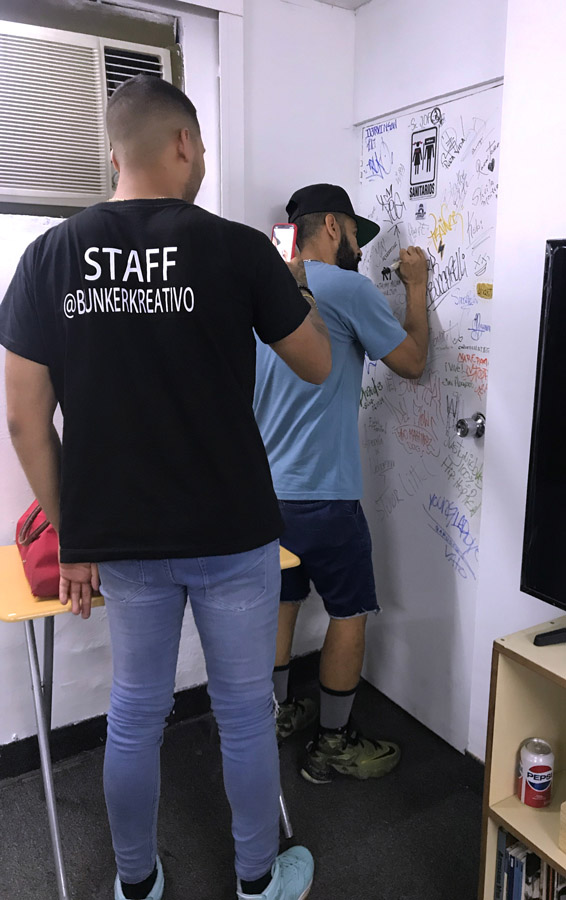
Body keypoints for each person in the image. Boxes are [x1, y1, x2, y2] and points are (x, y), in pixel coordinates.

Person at [0, 76, 332, 900]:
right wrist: (293, 275)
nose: (203, 159)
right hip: (233, 530)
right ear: (182, 143)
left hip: (123, 540)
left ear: (115, 153)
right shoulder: (238, 249)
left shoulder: (50, 256)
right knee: (245, 712)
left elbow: (24, 421)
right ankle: (257, 881)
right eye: (203, 147)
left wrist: (74, 536)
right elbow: (318, 363)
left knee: (135, 714)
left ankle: (137, 884)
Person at [253, 183, 429, 784]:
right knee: (350, 611)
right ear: (331, 226)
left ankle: (277, 714)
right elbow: (412, 362)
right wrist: (416, 287)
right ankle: (332, 743)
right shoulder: (348, 289)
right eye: (355, 233)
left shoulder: (263, 290)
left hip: (266, 494)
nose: (359, 248)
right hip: (325, 495)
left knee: (282, 602)